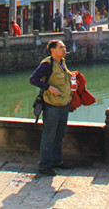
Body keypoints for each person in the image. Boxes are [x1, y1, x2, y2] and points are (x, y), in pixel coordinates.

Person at [29, 40, 72, 176]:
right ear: (52, 50)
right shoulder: (47, 64)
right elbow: (33, 79)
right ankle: (44, 165)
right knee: (49, 136)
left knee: (60, 135)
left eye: (64, 47)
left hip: (64, 104)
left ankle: (57, 160)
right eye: (61, 47)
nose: (64, 49)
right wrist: (49, 88)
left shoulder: (62, 62)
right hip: (52, 105)